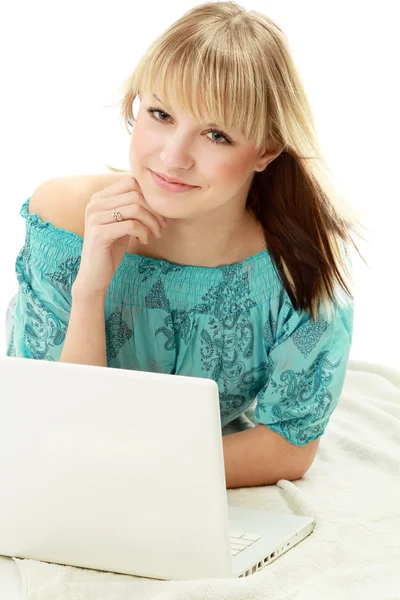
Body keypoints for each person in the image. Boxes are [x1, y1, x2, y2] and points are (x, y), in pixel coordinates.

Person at [6, 1, 367, 488]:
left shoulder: (297, 265)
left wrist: (133, 471)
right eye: (160, 113)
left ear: (265, 151)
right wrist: (90, 290)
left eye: (216, 134)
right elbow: (52, 426)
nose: (173, 157)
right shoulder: (65, 222)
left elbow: (287, 445)